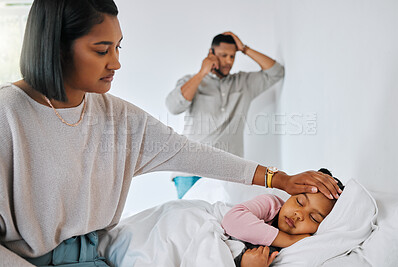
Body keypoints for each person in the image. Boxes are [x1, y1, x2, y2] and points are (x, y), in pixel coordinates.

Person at [0, 0, 341, 266]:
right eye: (102, 50)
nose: (116, 63)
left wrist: (278, 179)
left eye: (119, 47)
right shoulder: (8, 115)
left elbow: (192, 153)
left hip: (95, 255)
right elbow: (176, 104)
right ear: (56, 47)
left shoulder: (119, 117)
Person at [165, 32, 285, 198]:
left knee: (226, 221)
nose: (229, 61)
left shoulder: (243, 83)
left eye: (232, 56)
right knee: (188, 220)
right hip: (190, 170)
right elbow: (173, 107)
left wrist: (245, 49)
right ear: (211, 54)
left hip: (229, 172)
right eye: (223, 55)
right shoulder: (191, 80)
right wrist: (202, 73)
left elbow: (276, 72)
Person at [222, 169, 345, 267]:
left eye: (313, 218)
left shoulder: (305, 247)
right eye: (299, 202)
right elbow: (232, 220)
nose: (299, 214)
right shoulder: (271, 205)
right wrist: (288, 239)